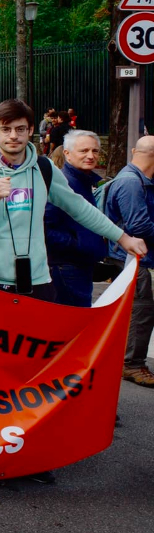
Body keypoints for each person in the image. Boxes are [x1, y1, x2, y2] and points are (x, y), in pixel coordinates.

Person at [0, 99, 144, 305]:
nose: (13, 136)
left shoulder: (44, 168)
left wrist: (123, 238)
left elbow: (79, 208)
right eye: (6, 129)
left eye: (20, 129)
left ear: (31, 130)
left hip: (38, 282)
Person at [104, 136, 154, 388]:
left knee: (142, 312)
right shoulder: (131, 183)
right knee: (141, 312)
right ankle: (132, 364)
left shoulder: (135, 179)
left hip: (138, 259)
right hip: (136, 260)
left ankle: (132, 362)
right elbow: (139, 226)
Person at [44, 130, 108, 308]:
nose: (90, 156)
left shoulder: (82, 181)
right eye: (84, 151)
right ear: (67, 153)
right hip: (67, 266)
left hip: (78, 264)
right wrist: (77, 244)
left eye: (95, 151)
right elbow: (45, 227)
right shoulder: (63, 184)